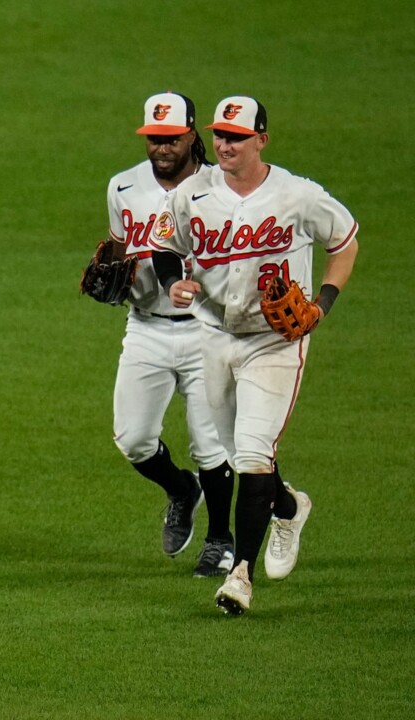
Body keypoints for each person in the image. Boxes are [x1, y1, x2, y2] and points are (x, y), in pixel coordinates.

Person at [150, 96, 359, 615]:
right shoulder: (194, 192)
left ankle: (240, 575)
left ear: (261, 139)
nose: (225, 144)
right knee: (238, 450)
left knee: (248, 452)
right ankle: (288, 507)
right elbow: (164, 246)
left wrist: (322, 304)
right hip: (215, 336)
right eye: (220, 135)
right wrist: (175, 282)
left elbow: (345, 242)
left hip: (276, 342)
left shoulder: (297, 195)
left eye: (237, 137)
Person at [100, 92, 235, 577]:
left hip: (206, 331)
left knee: (211, 446)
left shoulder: (220, 187)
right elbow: (118, 248)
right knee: (133, 440)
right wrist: (109, 275)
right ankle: (181, 489)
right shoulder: (122, 187)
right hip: (145, 329)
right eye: (154, 138)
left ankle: (221, 541)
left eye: (171, 138)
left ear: (192, 134)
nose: (161, 148)